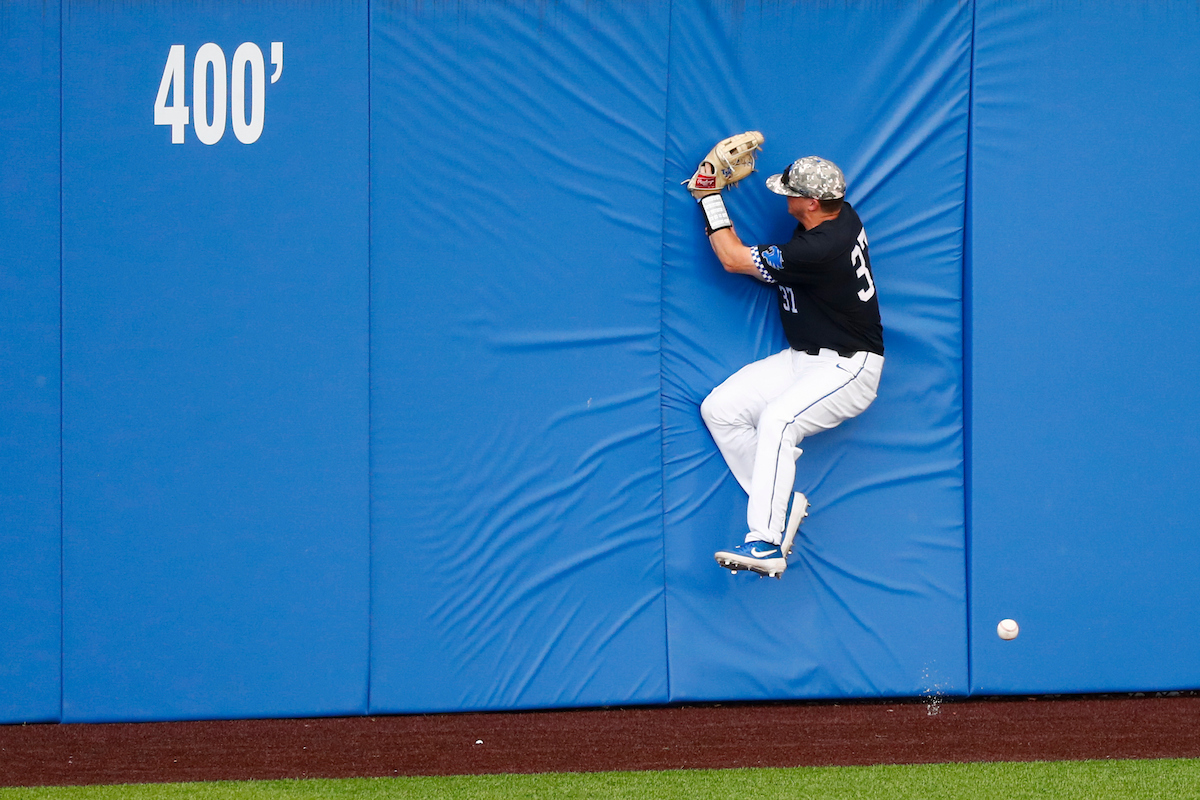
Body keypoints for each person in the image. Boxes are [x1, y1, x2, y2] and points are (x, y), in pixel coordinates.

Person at [696, 155, 884, 578]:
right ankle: (780, 511)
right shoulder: (838, 216)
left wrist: (708, 196)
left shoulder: (820, 248)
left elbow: (731, 258)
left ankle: (765, 542)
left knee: (779, 421)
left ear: (813, 204)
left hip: (849, 369)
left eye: (792, 192)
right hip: (806, 358)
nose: (785, 196)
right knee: (720, 410)